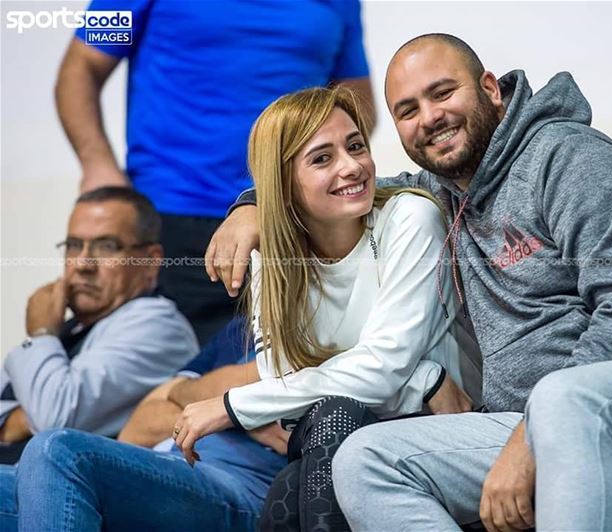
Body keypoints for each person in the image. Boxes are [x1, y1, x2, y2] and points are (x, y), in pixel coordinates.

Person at [209, 34, 612, 531]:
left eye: (442, 92)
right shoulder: (443, 189)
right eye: (407, 110)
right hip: (533, 422)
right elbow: (341, 192)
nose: (429, 117)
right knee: (365, 460)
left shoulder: (571, 159)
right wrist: (252, 206)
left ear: (491, 89)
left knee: (566, 401)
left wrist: (530, 439)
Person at [171, 86, 480, 531]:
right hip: (354, 434)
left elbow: (376, 370)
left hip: (451, 430)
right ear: (282, 184)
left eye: (355, 146)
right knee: (291, 487)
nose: (351, 165)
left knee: (305, 467)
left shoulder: (409, 218)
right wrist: (420, 379)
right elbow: (290, 397)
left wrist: (232, 405)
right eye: (322, 158)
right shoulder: (271, 260)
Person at [55, 0, 376, 344]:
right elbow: (82, 65)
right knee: (160, 376)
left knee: (278, 374)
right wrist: (97, 166)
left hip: (282, 221)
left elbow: (356, 100)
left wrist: (328, 174)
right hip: (169, 217)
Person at [0, 317, 289, 531]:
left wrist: (191, 395)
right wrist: (232, 412)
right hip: (165, 467)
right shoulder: (238, 327)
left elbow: (262, 379)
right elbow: (136, 429)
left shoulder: (320, 326)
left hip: (245, 489)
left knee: (57, 452)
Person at [0, 186, 197, 464]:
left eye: (106, 246)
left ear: (151, 262)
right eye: (73, 245)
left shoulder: (158, 326)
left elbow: (53, 419)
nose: (83, 263)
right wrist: (15, 418)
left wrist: (41, 334)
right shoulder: (71, 328)